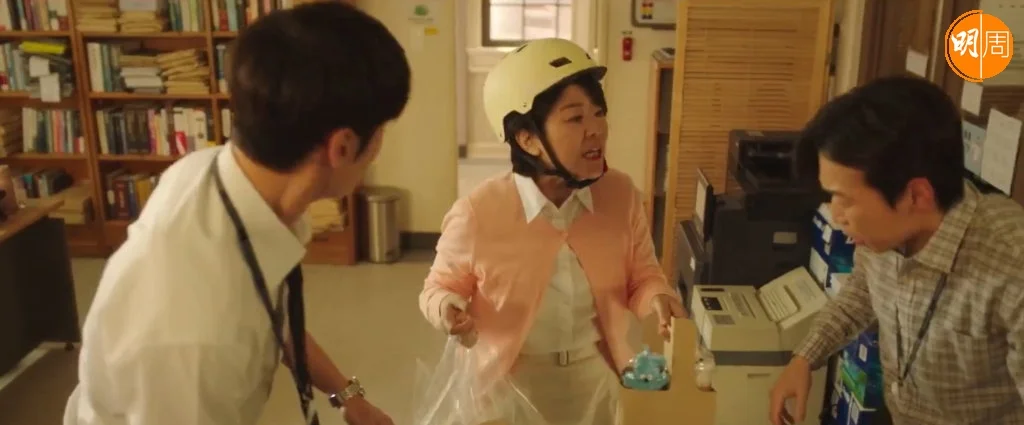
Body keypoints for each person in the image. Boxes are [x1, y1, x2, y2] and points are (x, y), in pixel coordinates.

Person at [62, 3, 410, 425]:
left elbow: (273, 311)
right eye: (381, 132)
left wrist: (348, 394)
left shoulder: (219, 176)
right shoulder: (196, 339)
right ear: (342, 147)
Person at [418, 38, 686, 425]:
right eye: (575, 119)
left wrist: (658, 297)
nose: (596, 131)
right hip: (508, 387)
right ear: (527, 139)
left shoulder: (621, 195)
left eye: (599, 114)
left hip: (595, 379)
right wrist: (446, 307)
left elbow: (643, 276)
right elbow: (437, 287)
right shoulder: (479, 213)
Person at [768, 75, 1024, 425]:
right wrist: (804, 358)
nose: (836, 217)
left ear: (916, 195)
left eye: (844, 200)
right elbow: (862, 291)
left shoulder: (1011, 264)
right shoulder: (883, 236)